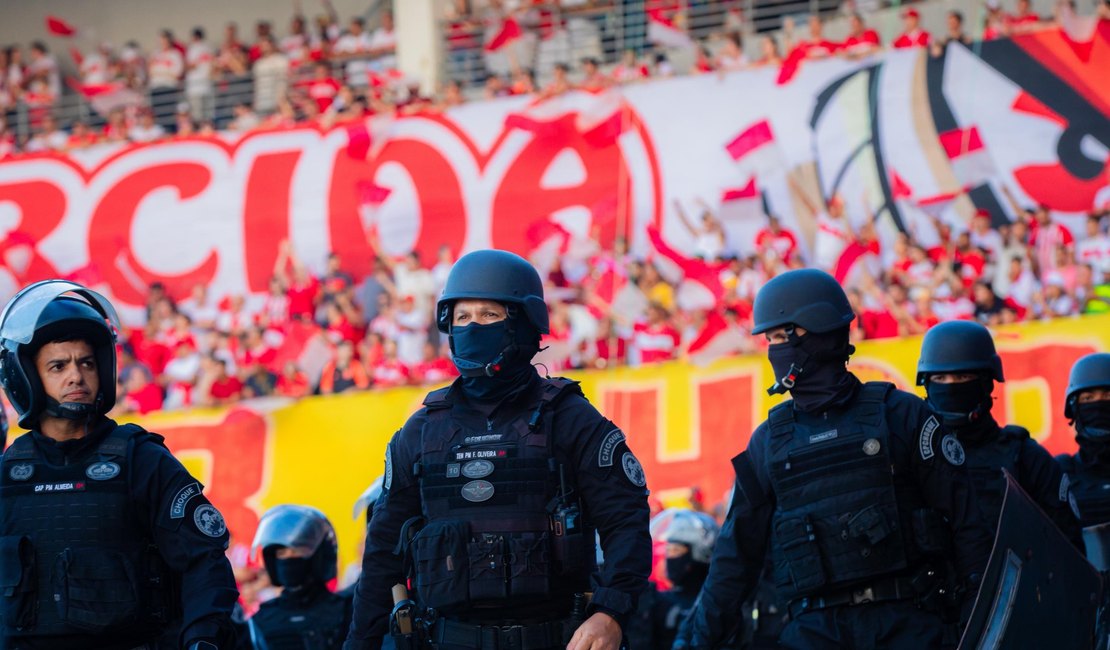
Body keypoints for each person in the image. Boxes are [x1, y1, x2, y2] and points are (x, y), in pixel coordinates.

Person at [344, 250, 651, 650]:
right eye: (462, 317)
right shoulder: (421, 432)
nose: (473, 326)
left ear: (524, 323)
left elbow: (625, 523)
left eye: (489, 315)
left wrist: (610, 614)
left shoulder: (570, 418)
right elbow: (383, 556)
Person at [677, 269, 992, 649]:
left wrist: (978, 626)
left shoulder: (902, 416)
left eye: (781, 337)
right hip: (814, 633)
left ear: (820, 333)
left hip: (909, 624)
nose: (773, 350)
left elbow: (968, 529)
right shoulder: (768, 442)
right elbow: (734, 559)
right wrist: (693, 643)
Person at [0, 280, 238, 650]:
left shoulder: (141, 460)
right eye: (58, 366)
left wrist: (202, 639)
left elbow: (204, 561)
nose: (76, 376)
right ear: (27, 376)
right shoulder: (6, 473)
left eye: (87, 363)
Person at [917, 321, 1082, 546]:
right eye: (940, 379)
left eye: (963, 378)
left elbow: (1068, 547)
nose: (951, 386)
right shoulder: (914, 459)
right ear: (926, 384)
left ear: (987, 383)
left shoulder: (1025, 457)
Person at [248, 505, 353, 650]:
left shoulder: (348, 610)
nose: (289, 559)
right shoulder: (261, 620)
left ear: (319, 555)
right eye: (282, 553)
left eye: (297, 550)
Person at [636, 510, 720, 650]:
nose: (670, 558)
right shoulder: (655, 601)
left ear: (700, 554)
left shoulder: (715, 603)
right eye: (668, 551)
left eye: (676, 551)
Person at [1056, 353, 1110, 528]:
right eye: (1088, 398)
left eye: (1108, 396)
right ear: (1074, 409)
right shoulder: (1059, 473)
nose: (1099, 405)